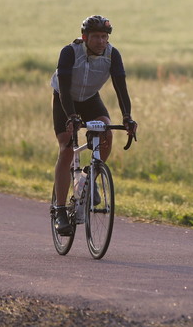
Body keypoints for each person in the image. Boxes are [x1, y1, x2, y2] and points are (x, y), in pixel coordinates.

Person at [49, 15, 137, 236]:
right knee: (66, 147)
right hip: (64, 98)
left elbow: (121, 88)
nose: (101, 41)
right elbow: (65, 88)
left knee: (106, 132)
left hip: (89, 97)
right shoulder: (70, 52)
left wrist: (127, 117)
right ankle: (60, 210)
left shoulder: (112, 54)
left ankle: (90, 178)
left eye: (104, 37)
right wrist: (71, 116)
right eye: (96, 37)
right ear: (84, 37)